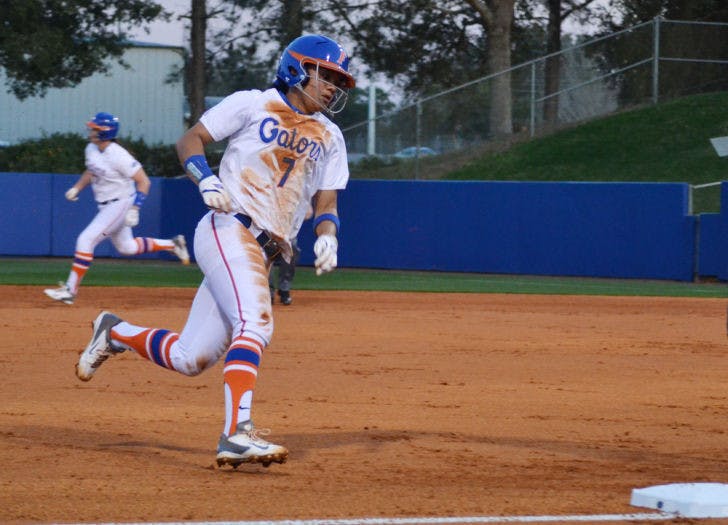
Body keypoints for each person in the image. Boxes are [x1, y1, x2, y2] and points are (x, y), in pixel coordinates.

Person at [74, 34, 355, 468]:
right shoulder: (252, 103)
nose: (334, 86)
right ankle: (236, 434)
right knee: (256, 324)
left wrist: (328, 234)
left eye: (339, 79)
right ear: (298, 68)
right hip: (230, 227)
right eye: (328, 75)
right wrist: (204, 178)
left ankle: (115, 332)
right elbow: (191, 140)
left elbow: (327, 202)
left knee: (191, 358)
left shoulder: (330, 135)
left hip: (267, 251)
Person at [43, 112, 190, 305]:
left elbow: (143, 181)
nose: (91, 130)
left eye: (95, 129)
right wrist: (78, 187)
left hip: (121, 203)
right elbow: (92, 170)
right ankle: (172, 244)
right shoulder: (91, 149)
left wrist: (135, 208)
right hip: (106, 205)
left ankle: (70, 290)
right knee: (126, 248)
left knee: (86, 239)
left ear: (105, 132)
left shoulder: (118, 154)